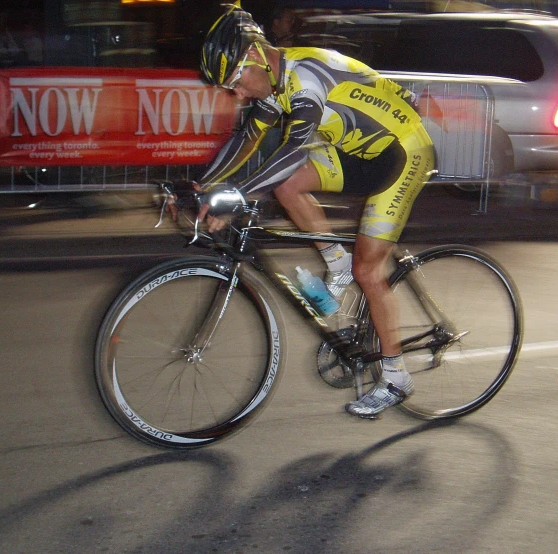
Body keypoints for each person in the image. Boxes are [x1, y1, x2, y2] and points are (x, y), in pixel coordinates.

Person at [177, 2, 436, 418]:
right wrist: (202, 186)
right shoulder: (275, 83)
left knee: (370, 272)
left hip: (403, 152)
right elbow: (246, 142)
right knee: (287, 186)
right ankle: (337, 265)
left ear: (257, 58)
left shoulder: (304, 82)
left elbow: (294, 149)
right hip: (360, 150)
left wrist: (238, 195)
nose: (236, 93)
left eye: (235, 81)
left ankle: (395, 378)